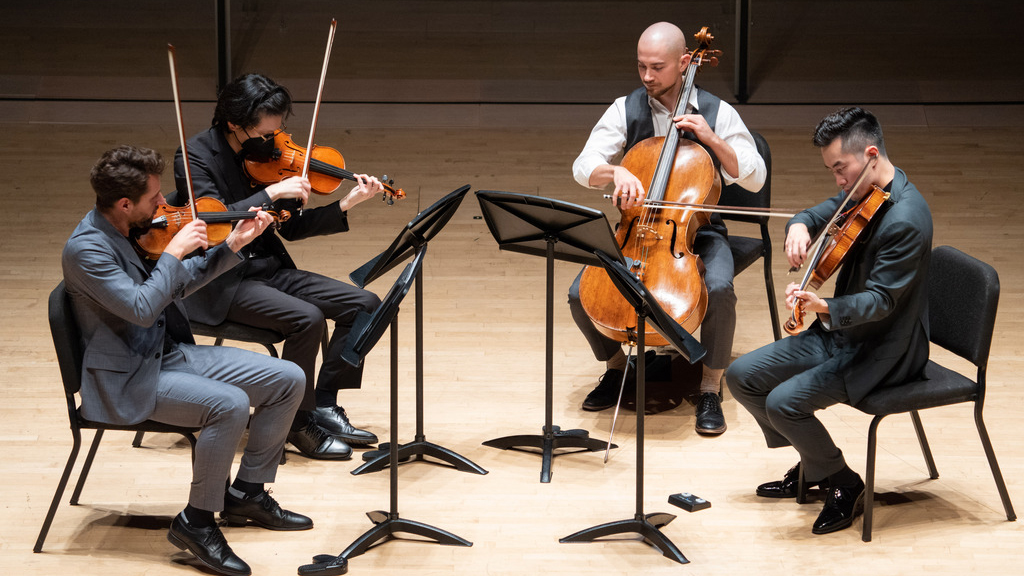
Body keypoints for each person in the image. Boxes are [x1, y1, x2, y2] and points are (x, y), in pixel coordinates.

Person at [62, 145, 312, 576]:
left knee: (288, 378)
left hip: (164, 354)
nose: (164, 205)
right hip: (126, 378)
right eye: (154, 199)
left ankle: (247, 494)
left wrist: (232, 244)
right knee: (229, 404)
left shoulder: (135, 230)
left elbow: (177, 286)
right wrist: (175, 253)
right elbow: (142, 307)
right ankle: (196, 523)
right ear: (125, 204)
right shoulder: (87, 250)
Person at [724, 107, 933, 534]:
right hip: (842, 333)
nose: (838, 180)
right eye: (832, 170)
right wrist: (799, 226)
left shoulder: (906, 221)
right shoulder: (865, 190)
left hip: (883, 348)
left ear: (870, 154)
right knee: (742, 375)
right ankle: (814, 461)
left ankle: (842, 481)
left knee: (784, 402)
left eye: (841, 168)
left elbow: (881, 303)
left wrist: (823, 308)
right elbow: (818, 211)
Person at [173, 73, 385, 460]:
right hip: (220, 279)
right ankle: (295, 424)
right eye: (264, 129)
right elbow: (215, 222)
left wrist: (346, 204)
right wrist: (270, 192)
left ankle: (321, 402)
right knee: (307, 319)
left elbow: (294, 228)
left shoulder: (271, 152)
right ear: (234, 123)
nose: (275, 139)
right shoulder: (194, 157)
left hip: (268, 267)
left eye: (279, 127)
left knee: (366, 305)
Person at [569, 21, 767, 435]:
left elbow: (754, 177)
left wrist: (713, 139)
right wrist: (615, 171)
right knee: (578, 293)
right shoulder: (625, 108)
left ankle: (711, 386)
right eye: (641, 66)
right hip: (636, 227)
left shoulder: (718, 112)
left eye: (656, 67)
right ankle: (616, 366)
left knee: (720, 289)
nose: (646, 77)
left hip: (695, 230)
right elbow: (583, 166)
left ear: (683, 63)